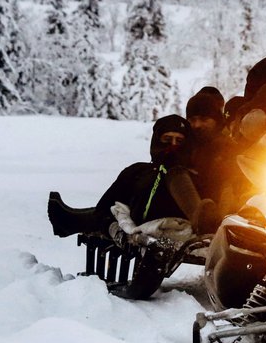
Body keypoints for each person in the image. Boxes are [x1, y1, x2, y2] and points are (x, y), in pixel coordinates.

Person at [46, 115, 215, 297]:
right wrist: (115, 225)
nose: (173, 146)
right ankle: (69, 219)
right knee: (104, 214)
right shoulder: (138, 170)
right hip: (139, 215)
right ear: (156, 141)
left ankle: (69, 220)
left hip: (176, 220)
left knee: (175, 173)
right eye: (167, 140)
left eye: (179, 141)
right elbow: (104, 206)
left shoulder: (196, 176)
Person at [184, 85, 243, 220]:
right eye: (192, 120)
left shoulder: (229, 147)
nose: (197, 125)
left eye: (204, 119)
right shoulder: (184, 144)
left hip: (222, 210)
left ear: (216, 120)